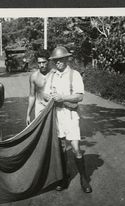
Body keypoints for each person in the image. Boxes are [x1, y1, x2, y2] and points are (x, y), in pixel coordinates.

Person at [43, 46, 92, 193]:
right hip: (57, 115)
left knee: (76, 148)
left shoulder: (74, 75)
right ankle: (64, 178)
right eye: (55, 60)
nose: (58, 62)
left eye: (61, 59)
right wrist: (50, 96)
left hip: (70, 114)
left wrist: (62, 97)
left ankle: (84, 179)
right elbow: (45, 94)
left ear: (66, 59)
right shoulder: (51, 76)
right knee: (61, 148)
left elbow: (79, 96)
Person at [26, 49, 52, 125]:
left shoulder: (54, 74)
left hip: (53, 108)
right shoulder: (34, 76)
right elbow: (32, 96)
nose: (41, 65)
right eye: (39, 63)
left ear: (48, 61)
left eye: (44, 62)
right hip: (40, 108)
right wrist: (28, 114)